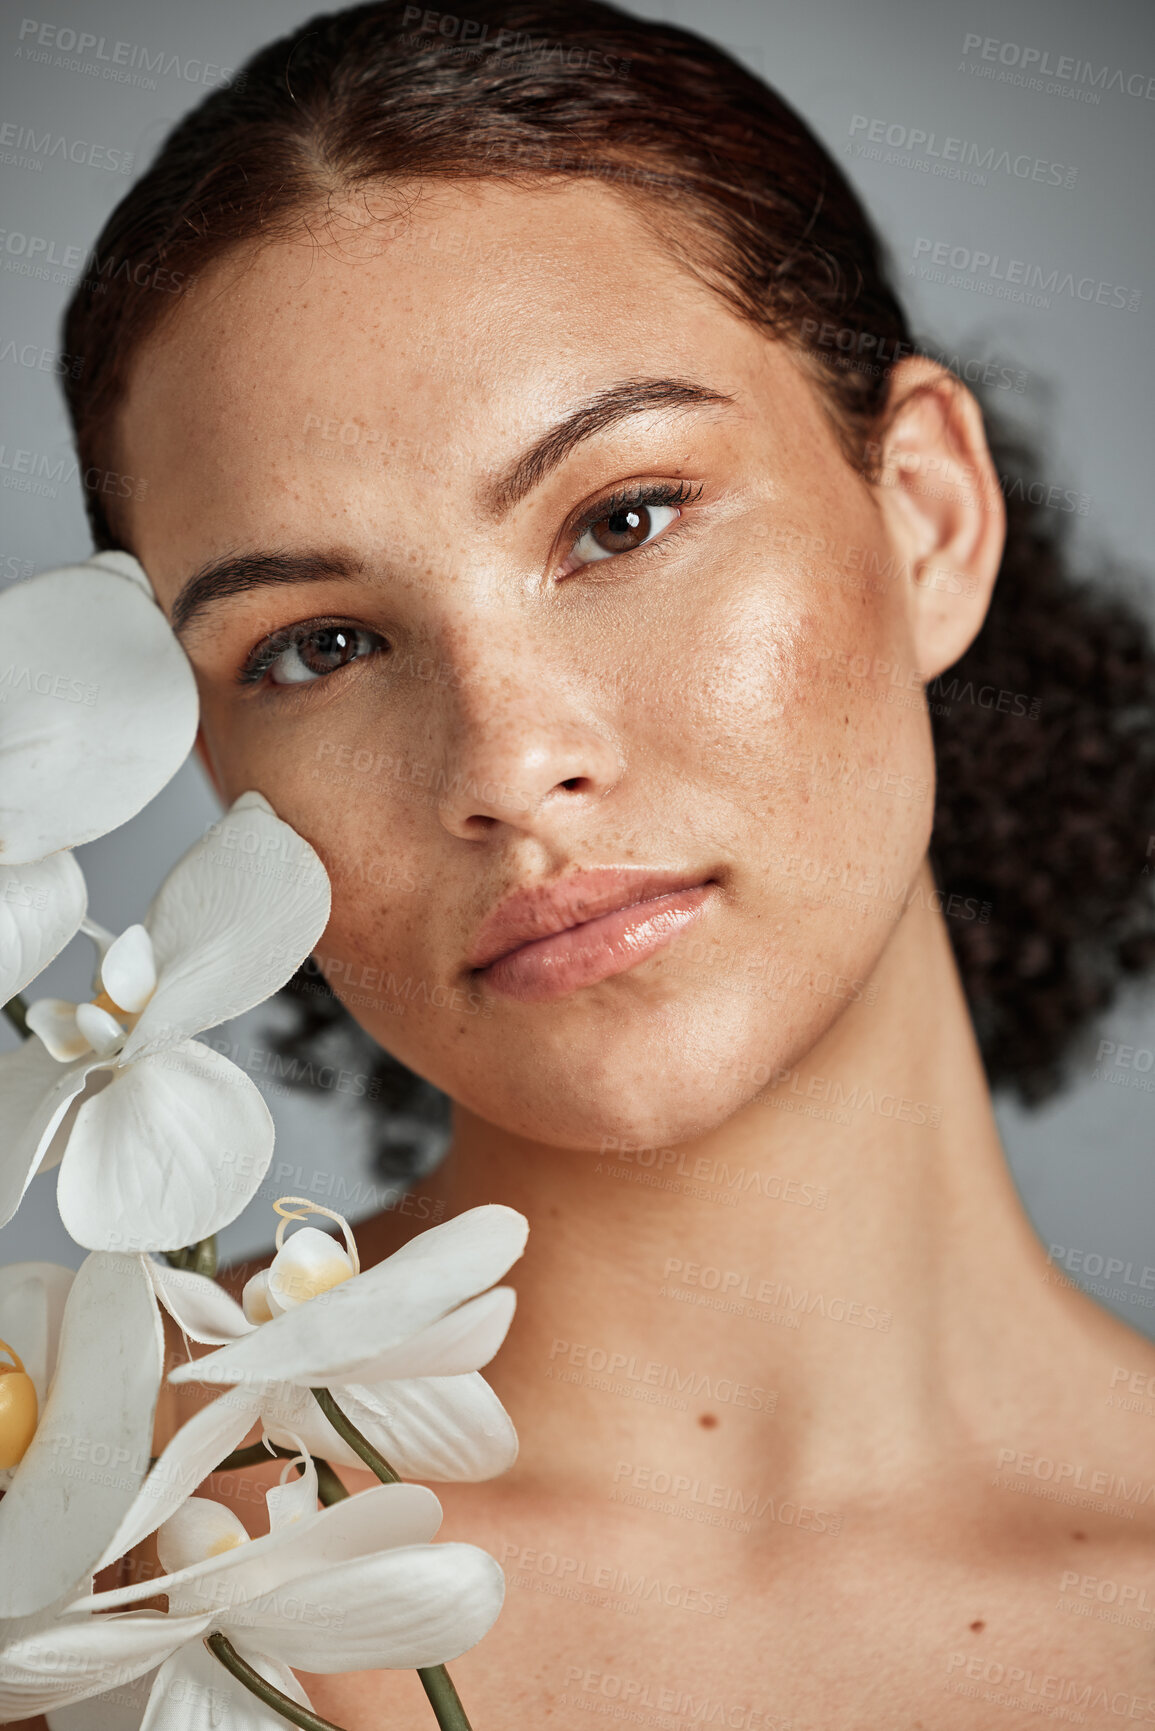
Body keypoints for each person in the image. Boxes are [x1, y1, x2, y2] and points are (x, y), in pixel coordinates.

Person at [41, 1, 1155, 1724]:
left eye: (622, 521)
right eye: (321, 648)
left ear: (925, 516)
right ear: (214, 765)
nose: (504, 765)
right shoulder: (88, 1576)